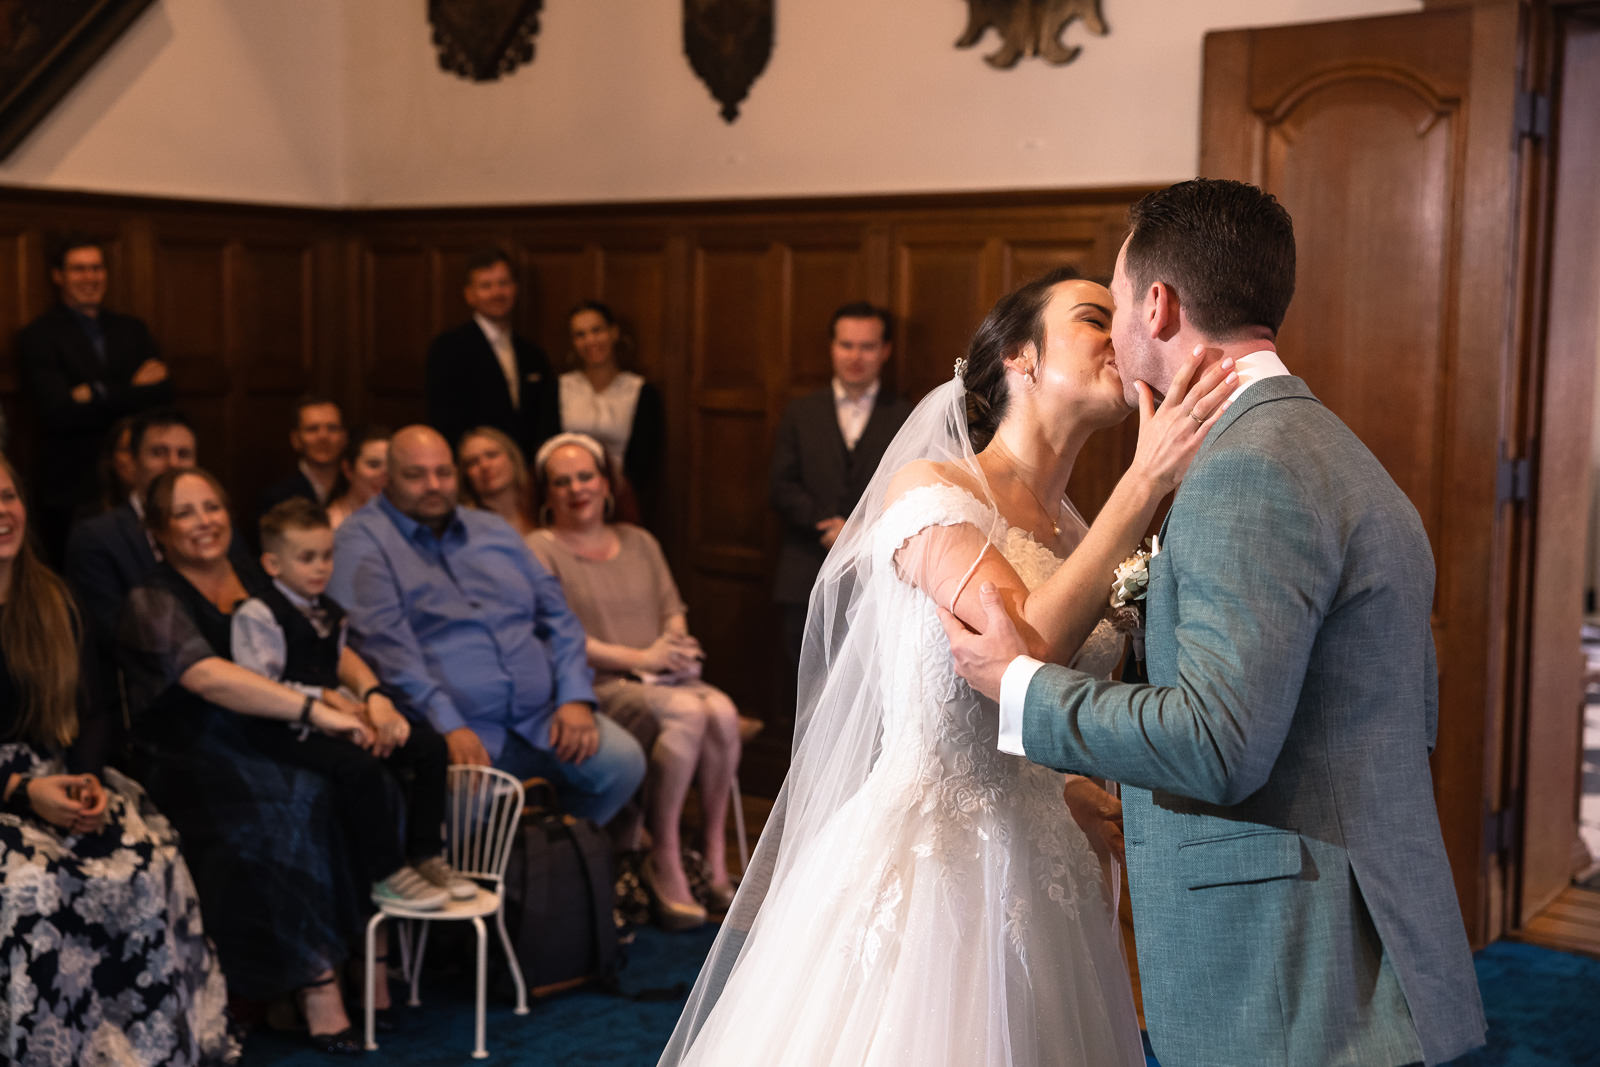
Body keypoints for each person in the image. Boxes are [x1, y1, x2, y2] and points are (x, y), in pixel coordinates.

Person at [940, 180, 1486, 1066]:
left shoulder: (1251, 468)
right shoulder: (1318, 442)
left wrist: (1023, 685)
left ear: (1156, 306)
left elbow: (1218, 742)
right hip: (1337, 936)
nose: (1116, 330)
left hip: (1289, 974)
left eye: (1114, 303)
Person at [660, 267, 1237, 1066]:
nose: (1122, 333)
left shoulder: (1077, 537)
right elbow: (1022, 652)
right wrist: (1145, 482)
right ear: (1021, 360)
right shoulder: (931, 491)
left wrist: (1059, 781)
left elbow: (1041, 708)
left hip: (1044, 866)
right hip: (935, 868)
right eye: (1093, 316)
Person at [117, 467, 411, 1055]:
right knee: (296, 799)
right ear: (157, 530)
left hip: (270, 729)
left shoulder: (258, 572)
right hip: (191, 750)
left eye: (212, 507)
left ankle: (367, 956)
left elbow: (328, 639)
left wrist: (373, 695)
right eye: (184, 512)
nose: (204, 522)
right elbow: (208, 678)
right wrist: (314, 710)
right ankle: (315, 985)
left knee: (367, 770)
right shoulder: (152, 596)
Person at [0, 454, 236, 1066]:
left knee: (146, 859)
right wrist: (25, 793)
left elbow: (99, 708)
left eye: (6, 496)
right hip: (5, 791)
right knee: (32, 886)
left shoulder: (55, 600)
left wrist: (83, 778)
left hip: (62, 771)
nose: (1, 513)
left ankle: (143, 1052)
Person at [330, 425, 646, 825]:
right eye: (416, 475)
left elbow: (558, 617)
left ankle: (553, 864)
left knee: (623, 763)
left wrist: (574, 696)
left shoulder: (492, 529)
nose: (433, 485)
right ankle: (513, 874)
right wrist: (449, 725)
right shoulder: (360, 540)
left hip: (543, 716)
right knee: (470, 817)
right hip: (461, 727)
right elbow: (386, 649)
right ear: (387, 479)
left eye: (444, 473)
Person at [528, 433, 739, 930]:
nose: (577, 489)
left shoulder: (640, 541)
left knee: (722, 710)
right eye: (562, 482)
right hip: (593, 687)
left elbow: (673, 611)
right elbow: (560, 636)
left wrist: (677, 652)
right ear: (547, 493)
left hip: (658, 676)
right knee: (689, 712)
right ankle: (662, 852)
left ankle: (711, 850)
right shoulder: (539, 548)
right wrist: (642, 657)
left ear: (605, 483)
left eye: (585, 477)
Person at [233, 497, 476, 904]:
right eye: (306, 558)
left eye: (327, 556)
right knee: (358, 766)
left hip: (333, 718)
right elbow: (261, 684)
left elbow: (333, 670)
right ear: (273, 564)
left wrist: (367, 712)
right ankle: (386, 873)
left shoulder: (331, 611)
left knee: (430, 746)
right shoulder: (259, 613)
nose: (321, 567)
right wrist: (329, 704)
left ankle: (426, 855)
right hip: (281, 727)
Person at [769, 302, 914, 681]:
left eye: (867, 347)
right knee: (805, 691)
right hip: (804, 575)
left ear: (885, 351)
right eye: (847, 345)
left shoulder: (906, 416)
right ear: (832, 348)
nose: (856, 356)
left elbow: (916, 490)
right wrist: (828, 527)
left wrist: (862, 533)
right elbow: (781, 485)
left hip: (878, 581)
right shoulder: (800, 412)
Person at [16, 235, 173, 563]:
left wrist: (94, 393)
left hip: (139, 480)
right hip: (72, 483)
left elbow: (161, 395)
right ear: (58, 276)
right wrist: (129, 390)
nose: (90, 278)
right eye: (79, 269)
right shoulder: (39, 335)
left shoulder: (132, 330)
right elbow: (58, 412)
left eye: (97, 268)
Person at [425, 247, 560, 463]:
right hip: (473, 467)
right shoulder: (448, 348)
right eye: (486, 286)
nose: (497, 293)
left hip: (524, 470)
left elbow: (545, 420)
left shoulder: (533, 354)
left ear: (515, 289)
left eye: (503, 283)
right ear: (469, 295)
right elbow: (444, 419)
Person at [560, 301, 665, 527]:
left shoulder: (641, 391)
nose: (590, 341)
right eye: (580, 334)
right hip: (568, 494)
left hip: (621, 497)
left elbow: (645, 460)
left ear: (613, 333)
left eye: (597, 330)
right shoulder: (559, 388)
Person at [257, 396, 349, 519]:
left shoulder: (356, 489)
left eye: (332, 428)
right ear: (296, 439)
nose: (323, 437)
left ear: (343, 437)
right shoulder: (278, 497)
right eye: (312, 429)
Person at [458, 426, 537, 536]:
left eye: (492, 455)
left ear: (512, 458)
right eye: (473, 462)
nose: (484, 466)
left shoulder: (540, 510)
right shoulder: (463, 527)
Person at [325, 426, 390, 531]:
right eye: (374, 464)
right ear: (348, 470)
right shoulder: (331, 524)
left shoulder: (404, 518)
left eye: (391, 465)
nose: (385, 474)